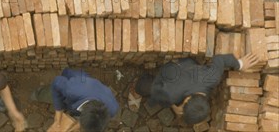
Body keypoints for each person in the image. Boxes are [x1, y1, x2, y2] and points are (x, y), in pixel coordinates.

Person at [132, 53, 261, 125]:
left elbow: (219, 60)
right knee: (147, 87)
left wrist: (239, 64)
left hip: (188, 67)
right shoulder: (170, 94)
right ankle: (135, 88)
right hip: (170, 72)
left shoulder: (212, 77)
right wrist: (173, 106)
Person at [33, 68, 119, 132]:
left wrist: (70, 130)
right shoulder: (72, 89)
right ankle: (37, 94)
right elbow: (57, 82)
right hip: (74, 79)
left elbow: (86, 122)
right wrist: (58, 117)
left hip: (93, 90)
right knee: (50, 95)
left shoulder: (112, 109)